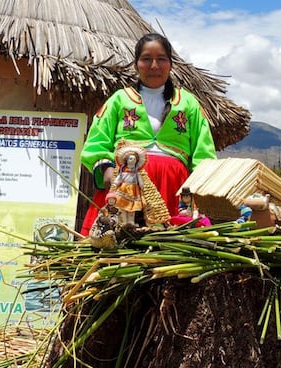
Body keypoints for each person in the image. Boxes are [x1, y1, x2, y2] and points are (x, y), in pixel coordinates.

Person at [79, 33, 218, 233]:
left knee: (170, 251)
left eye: (161, 59)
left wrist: (200, 189)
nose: (154, 66)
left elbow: (203, 151)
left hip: (174, 187)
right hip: (125, 185)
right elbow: (96, 143)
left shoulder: (188, 103)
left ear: (170, 64)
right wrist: (109, 173)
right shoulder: (119, 100)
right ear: (136, 64)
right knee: (118, 246)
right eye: (146, 59)